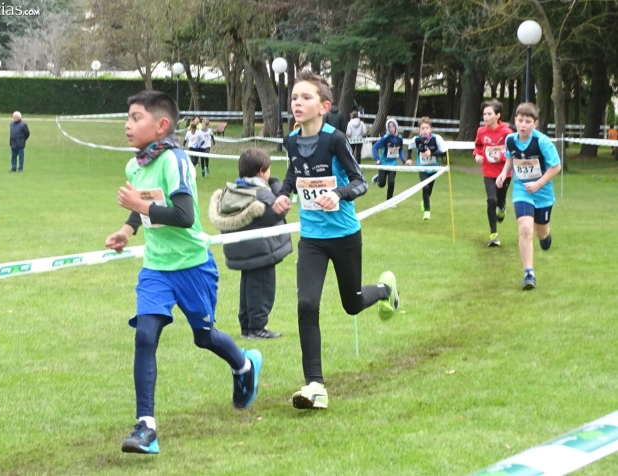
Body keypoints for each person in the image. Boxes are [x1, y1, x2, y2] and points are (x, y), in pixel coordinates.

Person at [104, 90, 262, 455]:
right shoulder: (135, 165)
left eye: (135, 117)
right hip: (156, 268)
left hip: (192, 265)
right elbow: (142, 205)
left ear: (161, 126)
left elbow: (184, 216)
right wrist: (127, 230)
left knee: (204, 337)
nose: (128, 125)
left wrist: (140, 204)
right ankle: (146, 427)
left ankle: (243, 366)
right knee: (146, 335)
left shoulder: (175, 160)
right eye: (127, 117)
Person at [272, 71, 399, 410]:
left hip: (344, 235)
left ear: (324, 106)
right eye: (294, 98)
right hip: (311, 238)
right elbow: (293, 172)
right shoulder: (291, 141)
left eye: (306, 97)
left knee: (352, 303)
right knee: (306, 305)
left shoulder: (336, 140)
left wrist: (338, 195)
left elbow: (360, 182)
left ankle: (386, 291)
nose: (297, 103)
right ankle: (315, 385)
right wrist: (283, 195)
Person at [208, 148, 292, 340]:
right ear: (262, 171)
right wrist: (277, 186)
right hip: (261, 251)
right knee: (262, 289)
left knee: (248, 288)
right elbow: (278, 210)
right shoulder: (261, 194)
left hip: (242, 251)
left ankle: (247, 326)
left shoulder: (234, 191)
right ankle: (257, 328)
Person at [496, 102, 561, 291]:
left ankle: (546, 237)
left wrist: (539, 184)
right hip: (522, 190)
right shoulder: (510, 140)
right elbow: (511, 157)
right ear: (515, 120)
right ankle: (528, 273)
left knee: (541, 232)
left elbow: (556, 166)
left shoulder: (542, 142)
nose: (523, 124)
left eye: (528, 121)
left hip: (543, 193)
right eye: (520, 120)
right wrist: (503, 173)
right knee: (525, 228)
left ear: (535, 123)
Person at [473, 99, 514, 247]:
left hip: (504, 172)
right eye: (484, 114)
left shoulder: (507, 132)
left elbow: (513, 151)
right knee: (491, 199)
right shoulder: (481, 131)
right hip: (488, 172)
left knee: (500, 199)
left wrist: (502, 156)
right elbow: (477, 145)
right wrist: (476, 155)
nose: (486, 117)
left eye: (489, 114)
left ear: (498, 115)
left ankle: (502, 208)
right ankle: (493, 234)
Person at [408, 117, 446, 220]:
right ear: (419, 130)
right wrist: (409, 158)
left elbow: (444, 152)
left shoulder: (436, 138)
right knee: (425, 187)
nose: (425, 130)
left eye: (427, 128)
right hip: (422, 168)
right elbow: (409, 146)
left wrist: (432, 153)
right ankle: (427, 211)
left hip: (433, 168)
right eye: (422, 128)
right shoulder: (416, 139)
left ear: (431, 129)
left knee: (429, 190)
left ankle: (424, 201)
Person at [371, 118, 410, 204]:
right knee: (381, 184)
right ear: (387, 128)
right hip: (383, 163)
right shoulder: (385, 138)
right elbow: (374, 147)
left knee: (391, 182)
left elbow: (400, 150)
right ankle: (378, 177)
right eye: (389, 126)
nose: (391, 128)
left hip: (393, 163)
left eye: (393, 126)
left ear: (396, 127)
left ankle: (389, 201)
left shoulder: (400, 138)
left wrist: (404, 160)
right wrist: (377, 159)